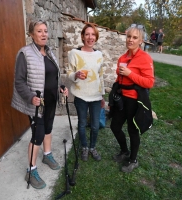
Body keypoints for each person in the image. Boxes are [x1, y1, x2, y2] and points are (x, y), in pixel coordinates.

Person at [11, 20, 68, 189]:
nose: (44, 34)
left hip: (51, 100)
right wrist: (30, 97)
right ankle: (31, 169)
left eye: (45, 31)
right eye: (39, 31)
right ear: (31, 34)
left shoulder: (49, 52)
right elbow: (19, 81)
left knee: (49, 128)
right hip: (37, 103)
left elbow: (52, 77)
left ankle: (47, 154)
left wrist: (61, 88)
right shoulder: (25, 53)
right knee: (38, 134)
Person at [110, 26, 154, 173]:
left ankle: (133, 160)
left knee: (132, 130)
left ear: (140, 41)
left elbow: (149, 82)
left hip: (135, 101)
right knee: (115, 126)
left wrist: (130, 74)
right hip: (122, 99)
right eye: (129, 36)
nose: (131, 40)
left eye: (135, 37)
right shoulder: (123, 58)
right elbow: (119, 77)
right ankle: (124, 151)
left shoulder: (145, 58)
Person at [67, 23, 105, 162]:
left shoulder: (99, 55)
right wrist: (76, 75)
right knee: (82, 123)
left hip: (95, 96)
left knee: (95, 125)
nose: (90, 37)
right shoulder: (74, 53)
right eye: (87, 34)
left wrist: (102, 96)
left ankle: (92, 147)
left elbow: (100, 76)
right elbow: (69, 73)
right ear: (82, 36)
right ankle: (84, 147)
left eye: (93, 34)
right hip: (81, 95)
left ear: (96, 37)